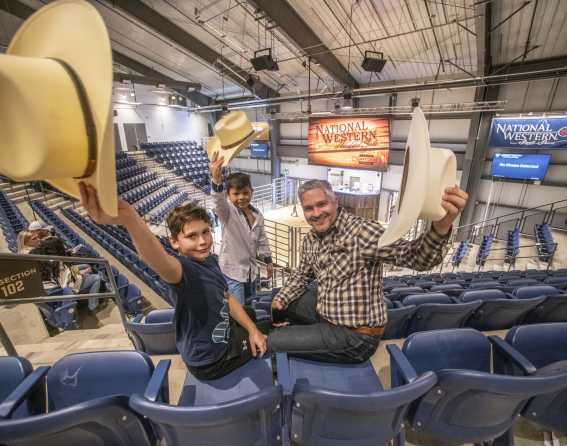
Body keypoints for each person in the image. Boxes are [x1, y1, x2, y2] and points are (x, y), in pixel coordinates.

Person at [79, 182, 268, 380]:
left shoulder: (211, 260)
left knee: (252, 314)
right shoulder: (183, 271)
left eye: (205, 232)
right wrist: (130, 218)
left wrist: (251, 328)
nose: (202, 241)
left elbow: (226, 296)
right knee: (268, 334)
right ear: (174, 242)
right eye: (192, 236)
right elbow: (159, 261)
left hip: (213, 336)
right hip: (211, 361)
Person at [268, 179, 468, 363]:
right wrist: (281, 299)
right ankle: (306, 333)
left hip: (356, 335)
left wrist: (441, 226)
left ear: (335, 201)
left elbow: (416, 257)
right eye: (309, 208)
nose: (316, 213)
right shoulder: (311, 239)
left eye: (322, 204)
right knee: (281, 301)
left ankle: (298, 339)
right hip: (329, 313)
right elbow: (302, 274)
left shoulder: (363, 232)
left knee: (271, 340)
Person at [209, 152, 273, 305]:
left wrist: (268, 260)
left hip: (251, 271)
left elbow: (262, 239)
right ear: (228, 196)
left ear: (252, 192)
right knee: (239, 310)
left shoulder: (258, 215)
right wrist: (216, 179)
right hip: (233, 272)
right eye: (236, 194)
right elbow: (218, 201)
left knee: (252, 303)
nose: (241, 197)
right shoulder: (227, 212)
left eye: (245, 193)